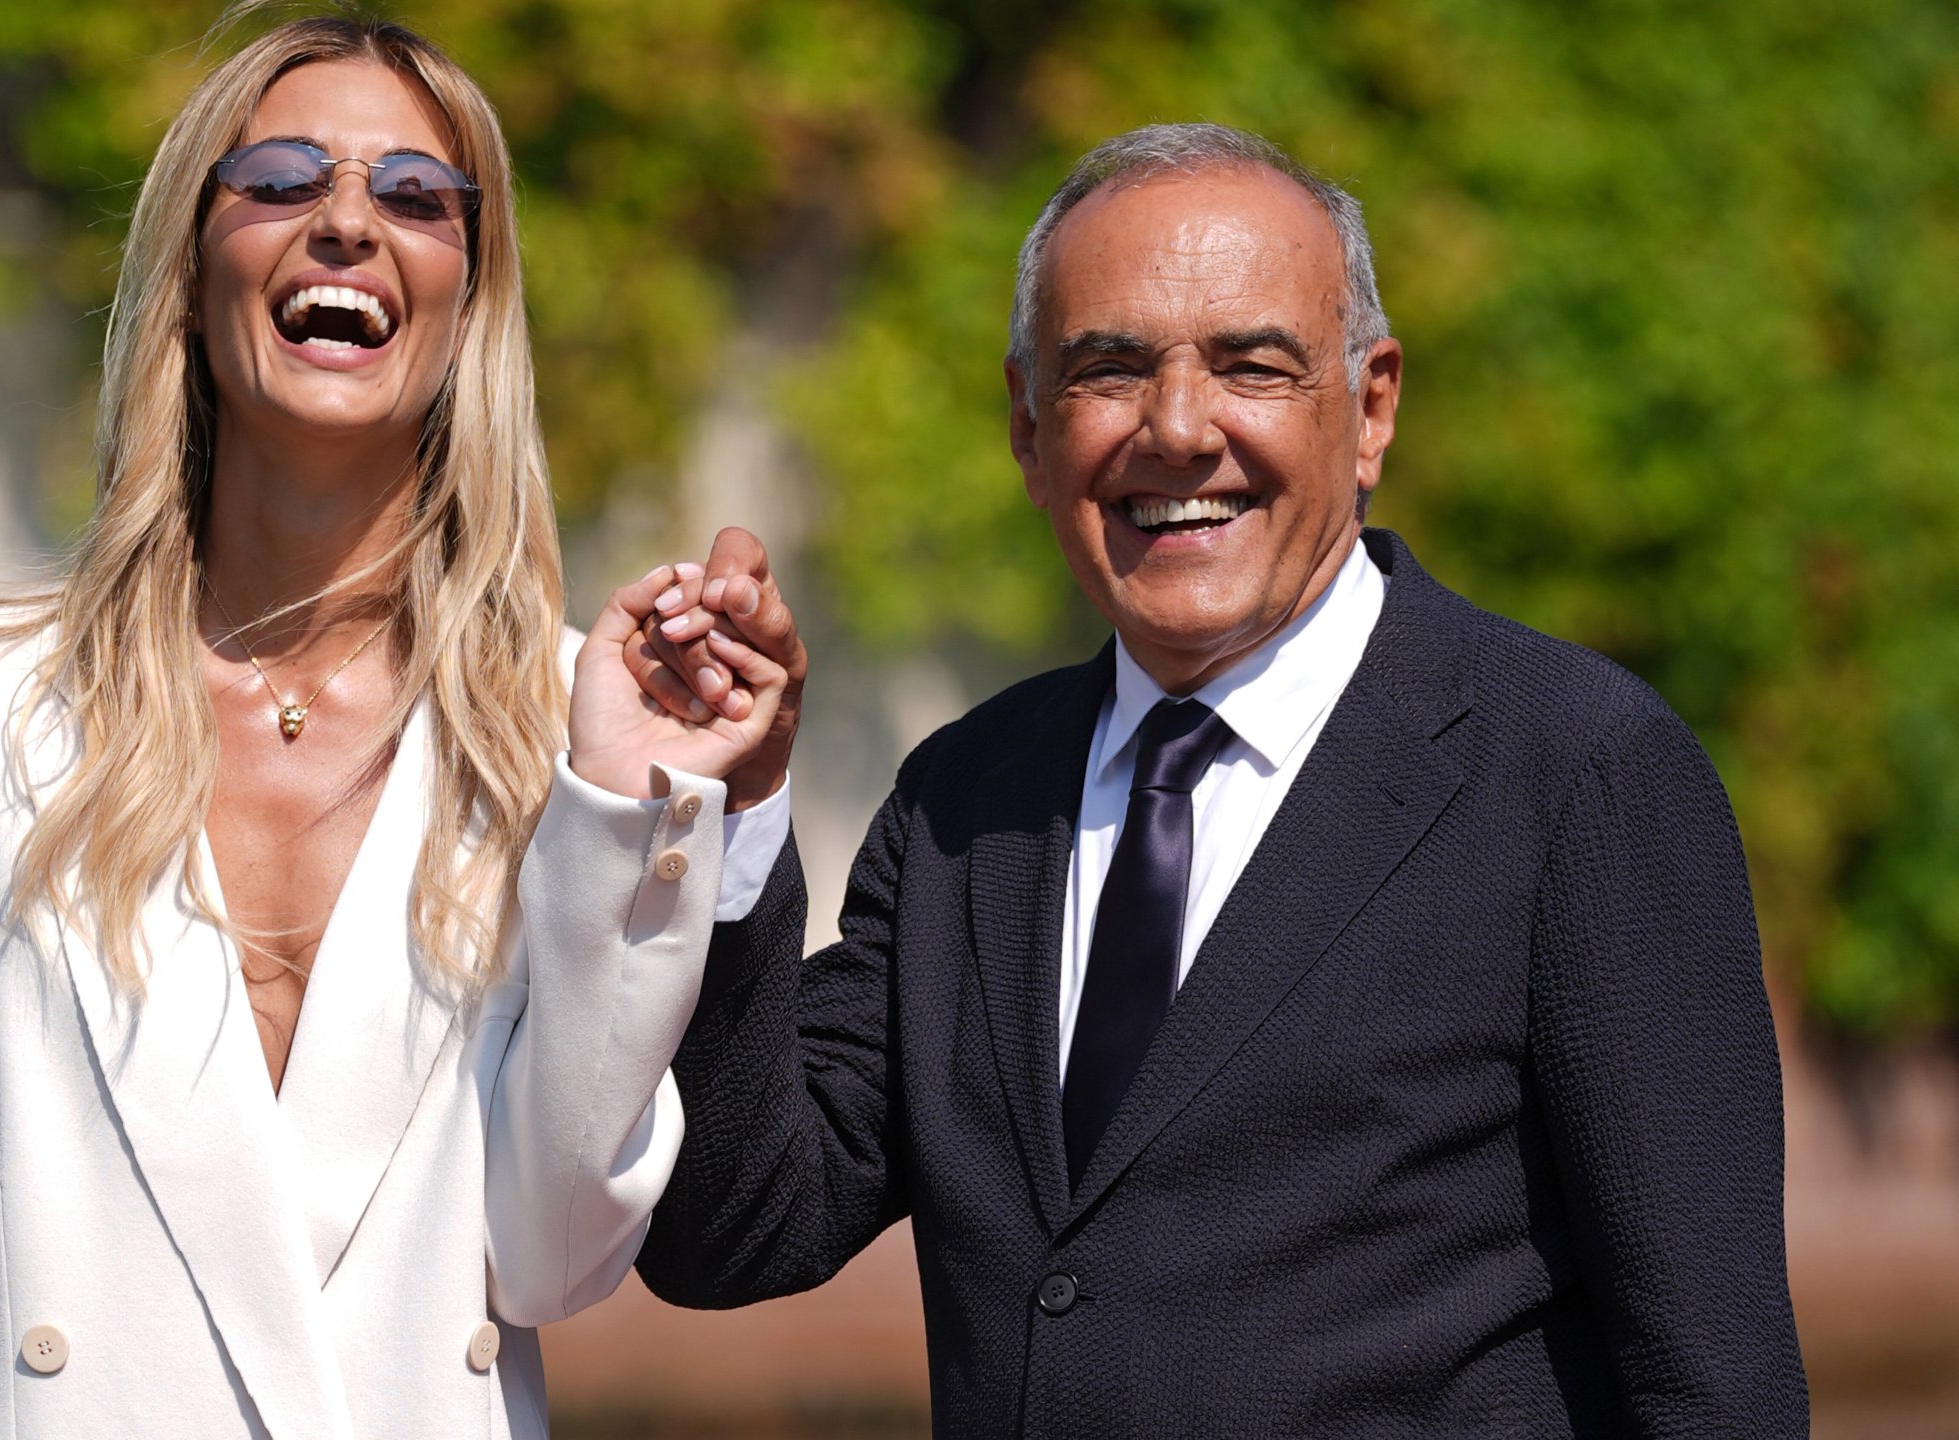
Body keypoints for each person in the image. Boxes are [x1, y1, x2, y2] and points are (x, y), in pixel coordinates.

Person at [629, 123, 1807, 1435]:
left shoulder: (1574, 773)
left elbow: (1714, 1379)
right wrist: (728, 808)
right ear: (1030, 426)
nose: (1179, 430)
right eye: (1110, 370)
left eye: (1252, 366)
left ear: (1372, 407)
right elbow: (732, 1235)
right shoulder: (967, 803)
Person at [0, 12, 793, 1437]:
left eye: (414, 196)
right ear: (194, 274)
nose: (345, 223)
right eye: (280, 179)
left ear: (469, 297)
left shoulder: (567, 728)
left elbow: (557, 1262)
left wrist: (626, 811)